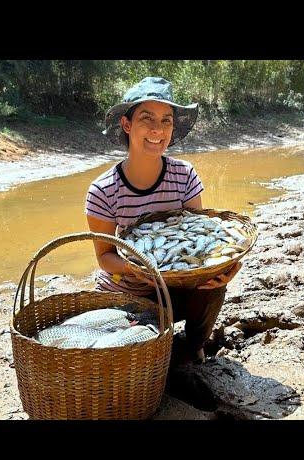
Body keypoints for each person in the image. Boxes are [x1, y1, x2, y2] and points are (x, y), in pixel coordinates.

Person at [84, 77, 241, 365]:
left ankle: (192, 346)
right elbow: (105, 257)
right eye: (147, 118)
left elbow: (198, 236)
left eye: (166, 120)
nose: (158, 129)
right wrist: (137, 270)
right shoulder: (103, 190)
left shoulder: (185, 176)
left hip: (173, 288)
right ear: (127, 124)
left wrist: (221, 266)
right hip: (126, 292)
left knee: (213, 286)